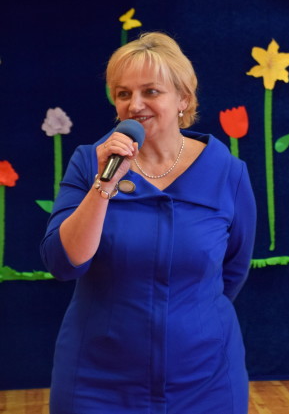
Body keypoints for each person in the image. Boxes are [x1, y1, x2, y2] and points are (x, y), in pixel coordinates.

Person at [40, 32, 257, 414]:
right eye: (123, 94)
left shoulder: (228, 172)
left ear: (183, 99)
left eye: (151, 91)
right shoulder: (89, 163)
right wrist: (104, 185)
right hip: (97, 378)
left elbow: (233, 271)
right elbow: (64, 263)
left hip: (205, 378)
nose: (135, 104)